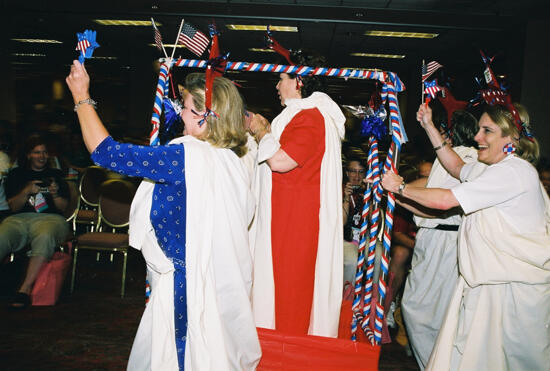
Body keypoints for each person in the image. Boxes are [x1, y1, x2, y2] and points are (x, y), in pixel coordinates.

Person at [66, 61, 261, 370]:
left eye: (184, 106)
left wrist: (81, 95)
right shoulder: (234, 161)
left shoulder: (184, 156)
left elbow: (107, 152)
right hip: (223, 281)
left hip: (185, 285)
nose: (179, 112)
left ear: (203, 116)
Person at [381, 102, 550, 370]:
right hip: (492, 285)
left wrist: (399, 186)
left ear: (511, 138)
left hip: (512, 292)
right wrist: (429, 127)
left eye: (487, 131)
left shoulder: (514, 172)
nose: (477, 137)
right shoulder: (496, 169)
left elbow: (447, 199)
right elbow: (458, 167)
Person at [248, 51, 345, 337]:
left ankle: (286, 354)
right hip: (288, 215)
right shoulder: (304, 115)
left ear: (299, 81)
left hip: (294, 222)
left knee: (289, 291)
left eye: (281, 79)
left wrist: (263, 132)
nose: (277, 86)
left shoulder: (310, 117)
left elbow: (281, 162)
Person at [398, 110, 486, 370]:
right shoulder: (462, 158)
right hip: (446, 241)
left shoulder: (465, 156)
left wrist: (400, 193)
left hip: (444, 242)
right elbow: (432, 188)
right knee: (437, 313)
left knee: (422, 311)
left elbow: (439, 204)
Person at [0, 134, 70, 308]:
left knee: (45, 235)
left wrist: (54, 194)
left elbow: (63, 208)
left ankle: (25, 288)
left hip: (51, 218)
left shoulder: (56, 174)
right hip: (19, 218)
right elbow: (13, 207)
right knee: (2, 235)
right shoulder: (17, 175)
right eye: (37, 152)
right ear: (28, 155)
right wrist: (26, 190)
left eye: (44, 152)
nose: (42, 156)